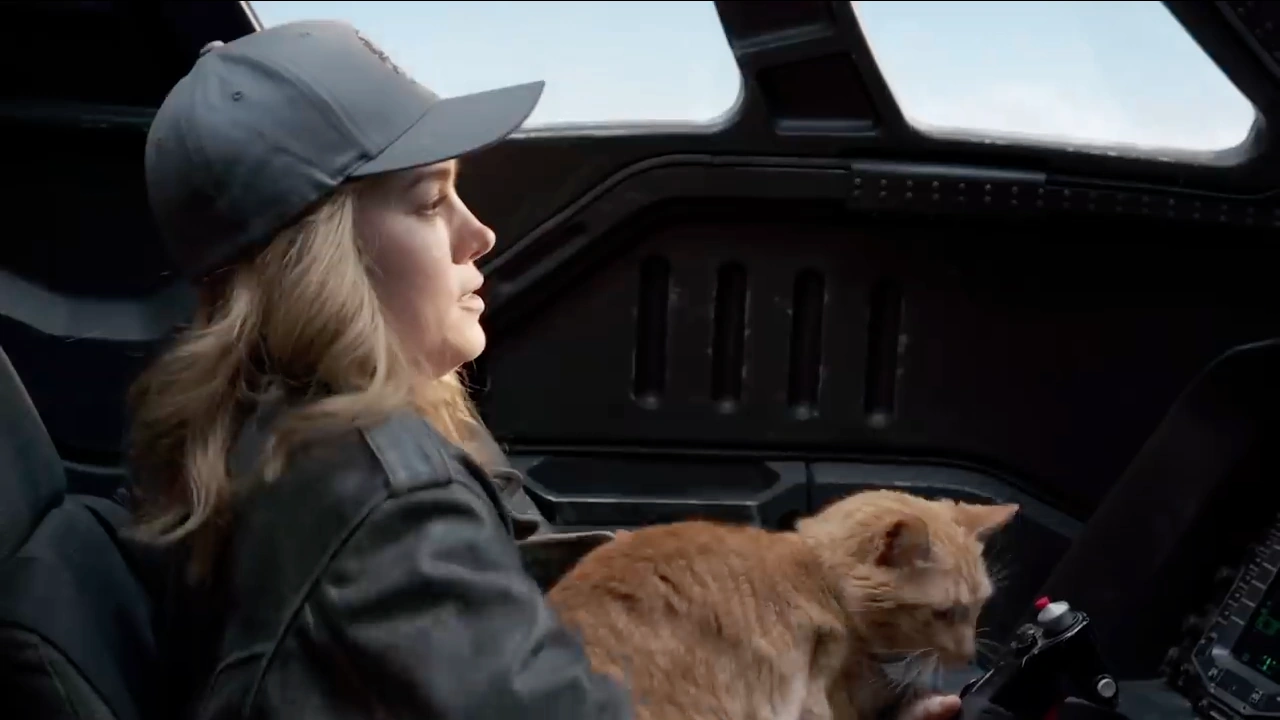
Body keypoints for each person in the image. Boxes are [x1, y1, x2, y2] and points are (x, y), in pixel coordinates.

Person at [127, 17, 962, 720]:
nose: (478, 234)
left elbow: (524, 566)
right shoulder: (381, 497)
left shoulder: (299, 440)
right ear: (321, 263)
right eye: (430, 202)